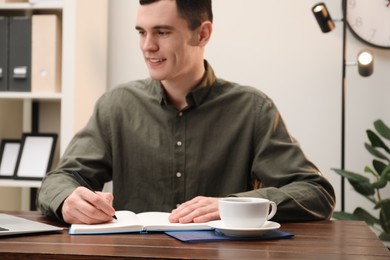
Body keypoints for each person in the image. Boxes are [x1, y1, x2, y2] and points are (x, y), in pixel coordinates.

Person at [37, 0, 335, 224]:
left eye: (162, 32)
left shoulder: (253, 110)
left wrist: (234, 205)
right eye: (141, 32)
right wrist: (67, 199)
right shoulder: (116, 106)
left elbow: (316, 193)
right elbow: (58, 180)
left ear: (203, 34)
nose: (147, 46)